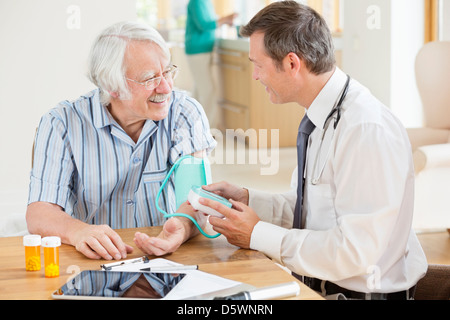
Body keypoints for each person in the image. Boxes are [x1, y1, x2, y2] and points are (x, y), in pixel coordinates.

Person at [198, 1, 428, 300]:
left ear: (292, 63)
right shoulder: (320, 117)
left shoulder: (364, 129)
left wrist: (258, 235)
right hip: (319, 288)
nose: (255, 76)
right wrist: (250, 199)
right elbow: (312, 212)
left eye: (258, 65)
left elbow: (355, 254)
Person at [26, 21, 216, 261]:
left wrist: (181, 227)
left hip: (166, 258)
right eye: (150, 78)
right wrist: (78, 231)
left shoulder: (185, 113)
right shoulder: (61, 123)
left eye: (167, 71)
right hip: (94, 259)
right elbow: (39, 213)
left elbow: (196, 199)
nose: (167, 87)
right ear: (111, 85)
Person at [185, 0, 237, 128]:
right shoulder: (197, 2)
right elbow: (204, 25)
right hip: (197, 50)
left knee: (199, 90)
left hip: (203, 49)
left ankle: (191, 126)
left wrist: (225, 20)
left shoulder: (206, 2)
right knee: (208, 91)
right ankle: (207, 130)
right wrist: (225, 19)